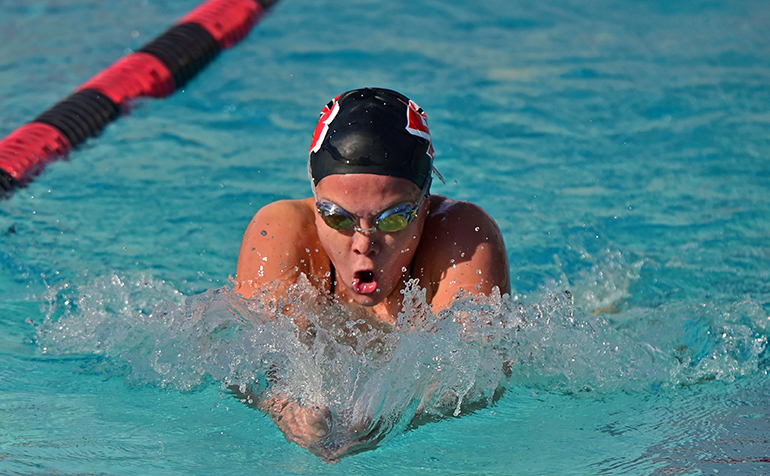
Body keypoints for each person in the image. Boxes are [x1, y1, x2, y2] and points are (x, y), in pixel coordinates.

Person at [234, 87, 510, 460]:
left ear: (425, 204)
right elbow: (246, 356)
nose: (364, 242)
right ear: (315, 202)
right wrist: (288, 410)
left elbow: (482, 370)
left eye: (393, 218)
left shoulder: (464, 238)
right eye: (337, 216)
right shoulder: (280, 232)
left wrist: (386, 417)